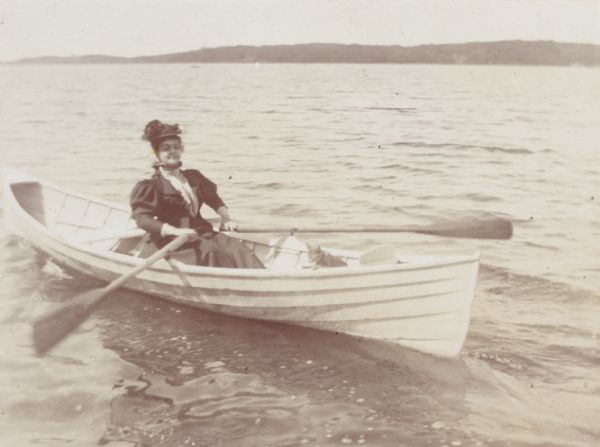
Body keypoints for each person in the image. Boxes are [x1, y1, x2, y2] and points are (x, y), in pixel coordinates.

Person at [129, 119, 264, 268]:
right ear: (157, 153)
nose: (172, 151)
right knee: (211, 251)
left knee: (236, 248)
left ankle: (261, 282)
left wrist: (226, 218)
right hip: (171, 238)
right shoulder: (151, 184)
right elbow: (142, 218)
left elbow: (213, 198)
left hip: (200, 230)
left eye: (176, 147)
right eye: (166, 148)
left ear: (181, 149)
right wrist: (175, 231)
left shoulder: (193, 176)